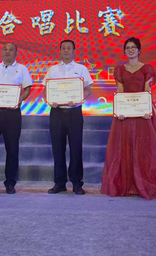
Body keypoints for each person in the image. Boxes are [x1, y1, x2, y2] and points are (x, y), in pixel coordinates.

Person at [101, 37, 156, 200]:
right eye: (127, 48)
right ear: (124, 51)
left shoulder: (146, 69)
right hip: (126, 114)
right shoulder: (120, 70)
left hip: (142, 113)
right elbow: (120, 91)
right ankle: (129, 184)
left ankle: (145, 182)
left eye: (133, 47)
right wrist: (119, 111)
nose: (130, 50)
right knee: (126, 148)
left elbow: (147, 90)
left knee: (144, 148)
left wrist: (147, 109)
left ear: (139, 50)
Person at [0, 42, 33, 194]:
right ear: (1, 52)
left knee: (12, 149)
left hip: (12, 114)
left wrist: (19, 99)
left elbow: (28, 89)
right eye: (5, 49)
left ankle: (10, 183)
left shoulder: (22, 69)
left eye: (11, 50)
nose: (7, 52)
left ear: (16, 53)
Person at [43, 39, 93, 195]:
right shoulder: (52, 70)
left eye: (69, 48)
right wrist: (49, 101)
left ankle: (77, 183)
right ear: (60, 51)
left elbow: (88, 89)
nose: (66, 50)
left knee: (76, 148)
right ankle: (59, 183)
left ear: (74, 51)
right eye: (63, 48)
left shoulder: (81, 69)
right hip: (57, 112)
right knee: (57, 149)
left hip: (74, 112)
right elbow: (46, 90)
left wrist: (78, 99)